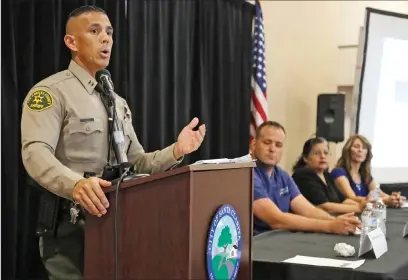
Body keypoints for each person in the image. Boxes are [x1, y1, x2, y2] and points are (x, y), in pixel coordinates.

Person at [20, 5, 206, 280]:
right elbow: (35, 152)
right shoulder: (51, 93)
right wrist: (76, 185)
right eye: (95, 31)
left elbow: (137, 163)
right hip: (69, 226)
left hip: (117, 223)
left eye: (109, 32)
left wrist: (177, 150)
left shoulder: (116, 103)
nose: (106, 38)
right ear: (71, 42)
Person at [250, 121, 360, 236]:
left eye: (278, 145)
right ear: (253, 145)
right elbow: (276, 220)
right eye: (267, 143)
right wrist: (329, 226)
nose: (272, 149)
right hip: (255, 244)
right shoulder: (247, 173)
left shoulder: (282, 175)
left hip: (279, 237)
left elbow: (307, 209)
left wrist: (335, 221)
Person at [291, 137, 366, 214]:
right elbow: (325, 207)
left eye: (326, 153)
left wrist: (363, 206)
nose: (323, 156)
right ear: (305, 158)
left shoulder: (326, 175)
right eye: (317, 153)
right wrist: (358, 208)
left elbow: (343, 200)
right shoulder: (302, 175)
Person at [331, 134, 404, 207]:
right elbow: (352, 198)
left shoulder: (365, 175)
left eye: (364, 147)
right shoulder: (338, 172)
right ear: (348, 150)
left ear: (367, 153)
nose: (360, 150)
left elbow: (380, 194)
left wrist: (394, 198)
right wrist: (384, 201)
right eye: (356, 147)